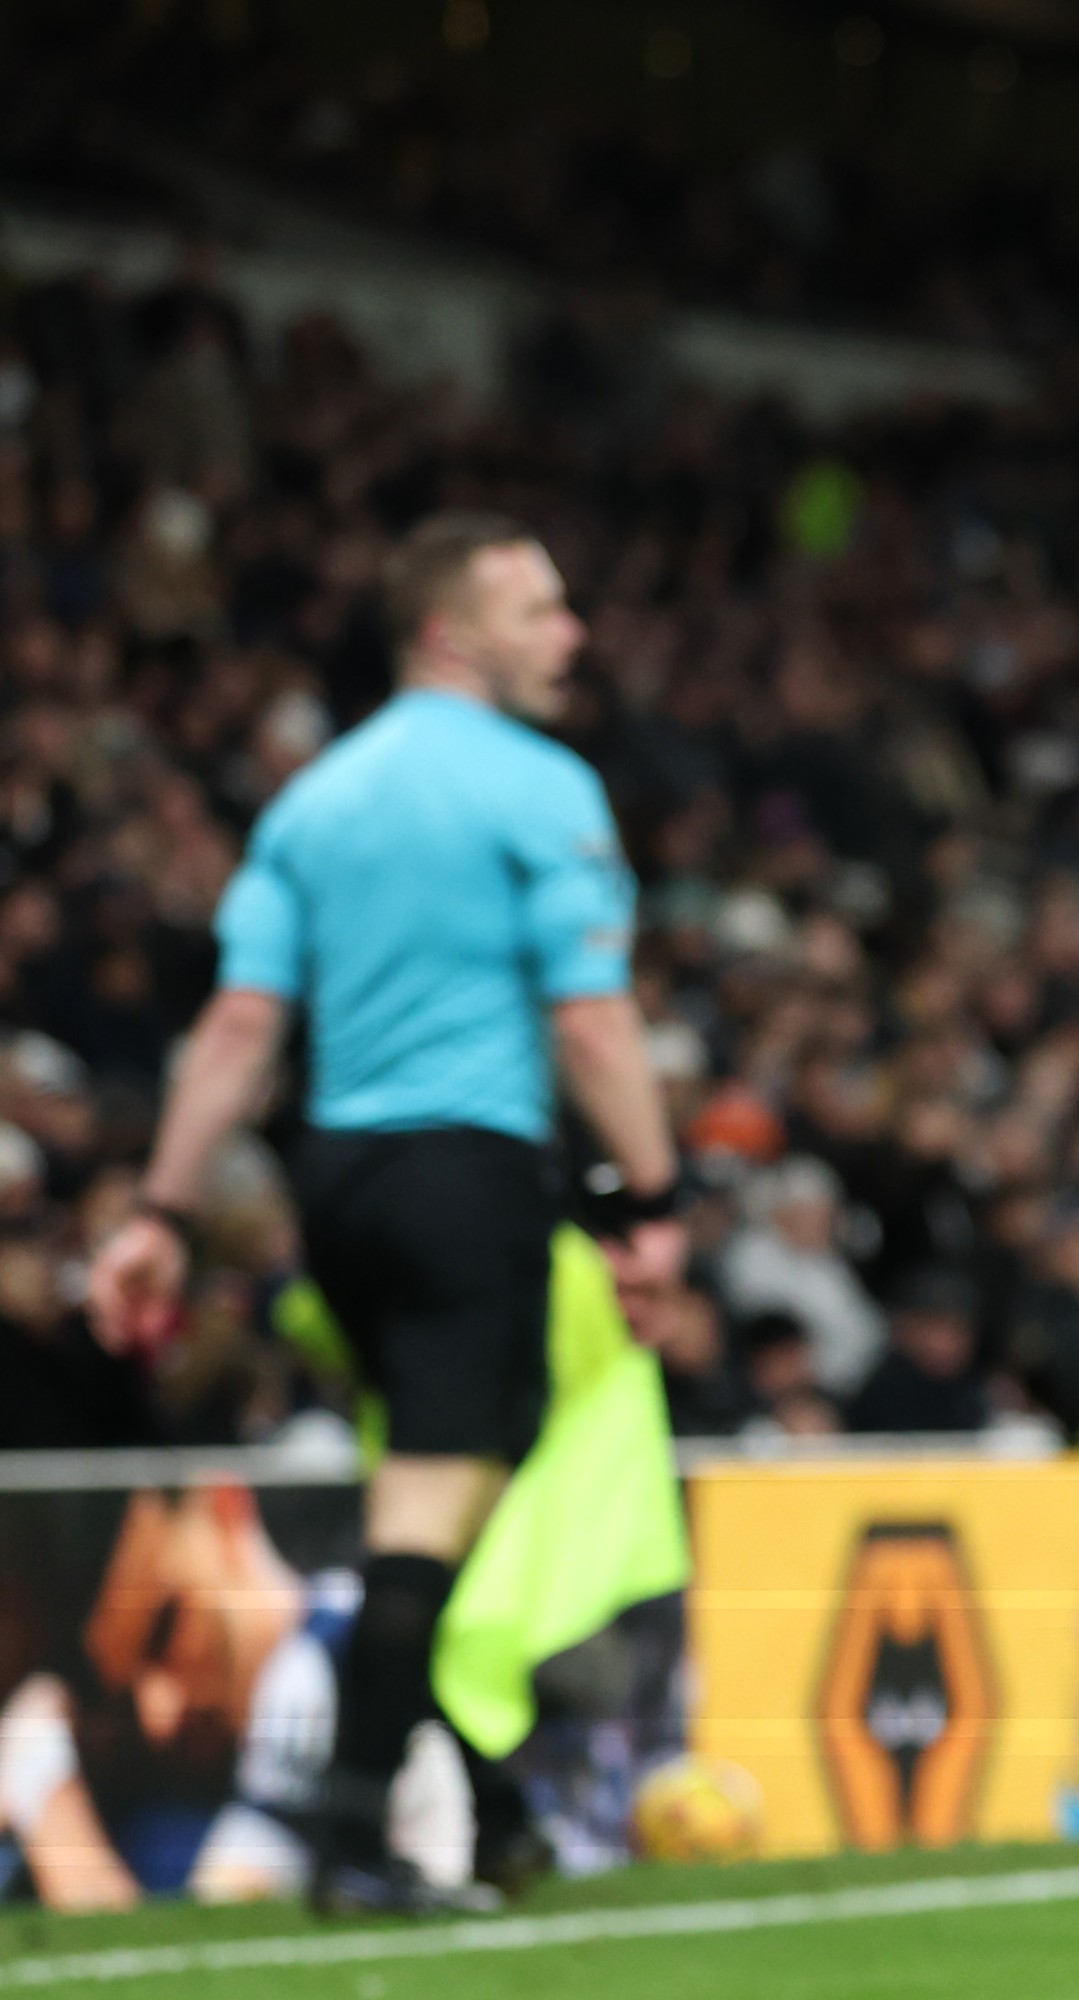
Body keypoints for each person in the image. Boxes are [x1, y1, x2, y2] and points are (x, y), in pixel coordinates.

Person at [85, 512, 688, 1916]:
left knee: (461, 1471)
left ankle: (488, 1804)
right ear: (449, 631)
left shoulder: (314, 801)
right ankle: (358, 1843)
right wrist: (652, 1200)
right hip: (468, 1173)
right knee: (430, 1511)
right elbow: (592, 1027)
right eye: (538, 610)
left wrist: (164, 1208)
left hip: (336, 1187)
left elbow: (241, 1025)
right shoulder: (542, 787)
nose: (570, 635)